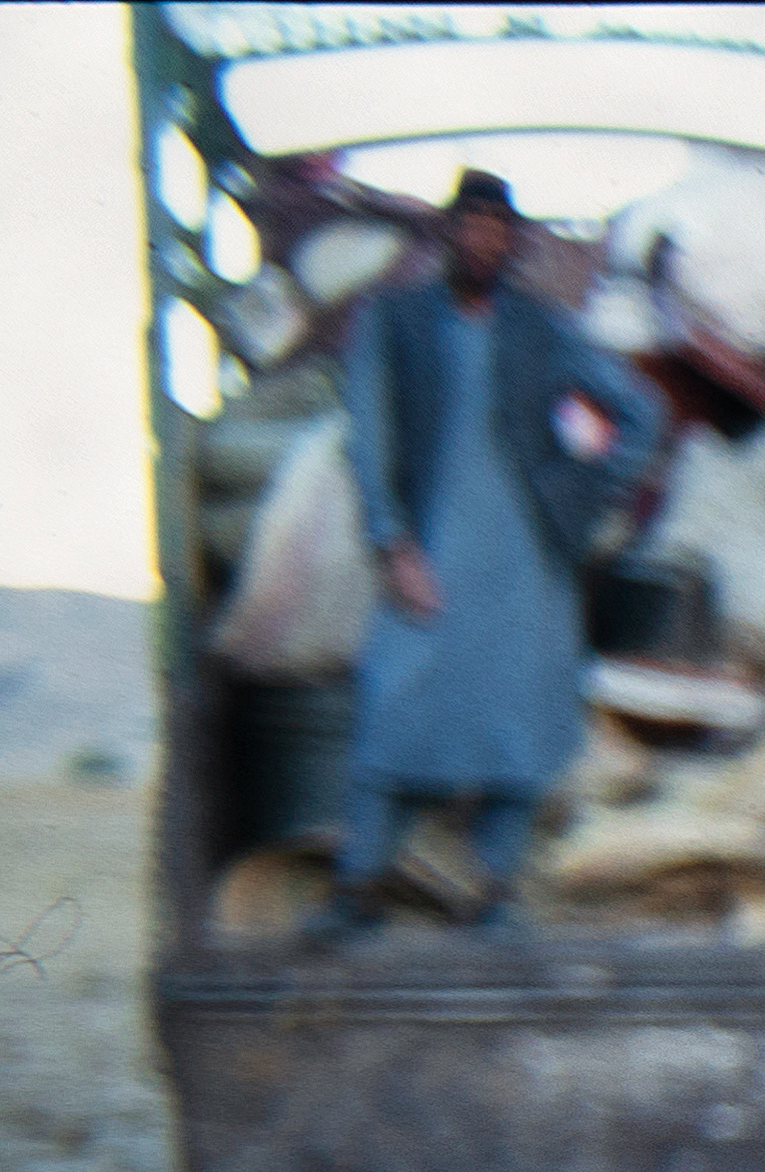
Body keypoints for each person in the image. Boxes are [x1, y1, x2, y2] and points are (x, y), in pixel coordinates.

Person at [315, 170, 661, 944]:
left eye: (499, 232)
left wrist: (586, 492)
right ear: (446, 235)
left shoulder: (540, 327)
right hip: (430, 552)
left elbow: (640, 410)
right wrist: (391, 541)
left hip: (527, 561)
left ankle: (491, 895)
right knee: (396, 714)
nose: (484, 243)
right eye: (471, 227)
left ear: (514, 244)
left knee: (519, 728)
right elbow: (368, 437)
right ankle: (357, 889)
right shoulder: (394, 321)